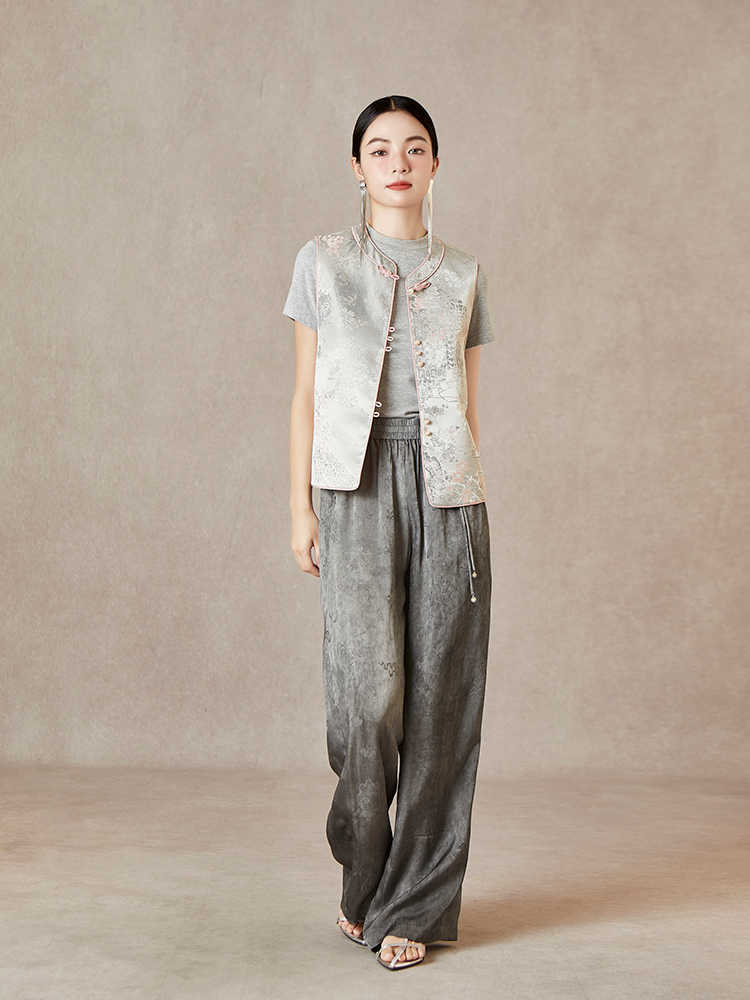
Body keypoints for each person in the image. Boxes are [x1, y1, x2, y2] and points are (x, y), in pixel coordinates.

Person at [284, 95, 495, 971]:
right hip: (355, 484)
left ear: (436, 162)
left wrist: (464, 500)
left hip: (448, 494)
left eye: (414, 148)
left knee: (443, 706)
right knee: (366, 705)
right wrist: (300, 508)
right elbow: (305, 394)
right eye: (380, 149)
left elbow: (469, 406)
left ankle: (415, 906)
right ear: (358, 167)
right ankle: (364, 881)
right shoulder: (322, 262)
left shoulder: (465, 273)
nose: (398, 162)